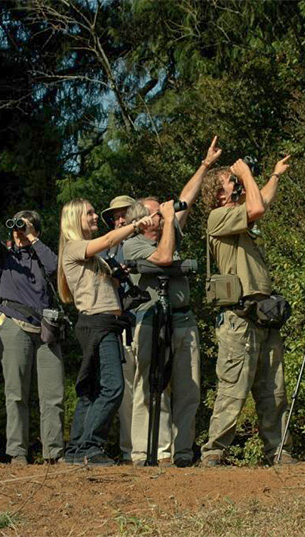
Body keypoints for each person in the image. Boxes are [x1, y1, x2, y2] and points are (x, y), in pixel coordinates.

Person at [122, 137, 222, 467]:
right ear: (141, 220)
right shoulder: (132, 245)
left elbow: (186, 201)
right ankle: (150, 453)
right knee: (151, 388)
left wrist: (205, 165)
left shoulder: (168, 229)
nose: (165, 214)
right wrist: (166, 220)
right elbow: (164, 256)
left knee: (189, 390)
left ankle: (181, 453)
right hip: (150, 319)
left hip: (183, 319)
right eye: (156, 212)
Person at [199, 154, 294, 467]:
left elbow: (260, 202)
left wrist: (276, 175)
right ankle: (214, 451)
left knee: (274, 390)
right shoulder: (217, 218)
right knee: (233, 389)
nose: (237, 182)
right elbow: (256, 207)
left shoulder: (240, 214)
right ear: (219, 193)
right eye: (231, 180)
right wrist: (248, 173)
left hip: (262, 314)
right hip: (238, 318)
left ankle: (277, 451)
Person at [0, 183, 64, 465]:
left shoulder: (43, 256)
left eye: (25, 227)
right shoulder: (5, 257)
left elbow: (56, 268)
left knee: (52, 394)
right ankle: (17, 452)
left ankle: (53, 453)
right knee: (16, 393)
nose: (18, 231)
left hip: (45, 329)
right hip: (14, 323)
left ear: (36, 230)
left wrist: (33, 239)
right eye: (16, 227)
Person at [57, 198, 152, 466]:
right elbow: (110, 239)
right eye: (89, 213)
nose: (95, 216)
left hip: (101, 324)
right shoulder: (75, 248)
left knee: (92, 390)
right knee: (112, 387)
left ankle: (76, 449)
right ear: (76, 219)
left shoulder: (94, 257)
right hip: (98, 325)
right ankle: (91, 446)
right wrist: (135, 225)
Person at [98, 194, 137, 465]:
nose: (119, 219)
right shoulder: (103, 249)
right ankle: (129, 450)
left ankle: (152, 450)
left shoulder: (143, 243)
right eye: (115, 216)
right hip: (117, 326)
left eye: (124, 214)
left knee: (150, 388)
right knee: (125, 393)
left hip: (143, 322)